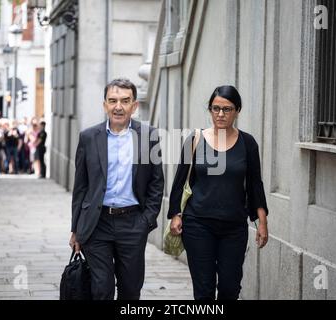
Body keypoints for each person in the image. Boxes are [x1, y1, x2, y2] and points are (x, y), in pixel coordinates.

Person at [168, 85, 269, 300]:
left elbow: (254, 184)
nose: (220, 114)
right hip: (198, 224)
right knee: (203, 290)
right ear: (210, 110)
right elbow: (179, 181)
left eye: (227, 109)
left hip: (234, 226)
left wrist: (262, 221)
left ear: (237, 111)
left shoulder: (248, 143)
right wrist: (176, 214)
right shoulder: (195, 140)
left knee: (229, 288)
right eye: (215, 109)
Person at [69, 78, 164, 300]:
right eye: (112, 101)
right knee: (101, 288)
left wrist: (146, 220)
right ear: (105, 105)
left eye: (124, 101)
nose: (118, 106)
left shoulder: (148, 136)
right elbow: (80, 187)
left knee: (130, 290)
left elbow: (156, 182)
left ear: (134, 105)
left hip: (133, 223)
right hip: (96, 223)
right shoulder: (88, 137)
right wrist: (76, 228)